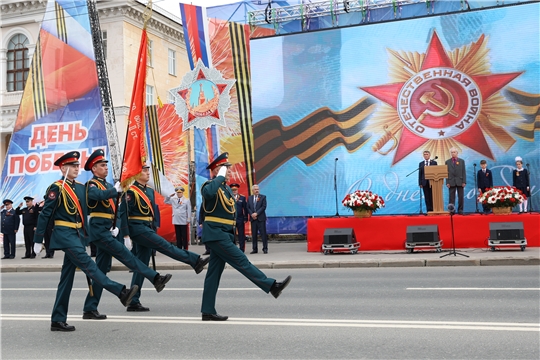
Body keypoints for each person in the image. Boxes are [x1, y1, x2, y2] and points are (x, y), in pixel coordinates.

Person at [33, 151, 139, 332]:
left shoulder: (81, 188)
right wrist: (38, 239)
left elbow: (87, 212)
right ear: (63, 168)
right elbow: (45, 214)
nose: (76, 168)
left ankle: (57, 319)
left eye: (76, 165)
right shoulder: (57, 188)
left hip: (77, 236)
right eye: (72, 166)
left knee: (66, 279)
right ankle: (121, 292)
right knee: (91, 267)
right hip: (65, 235)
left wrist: (114, 202)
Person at [200, 152, 291, 321]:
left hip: (224, 234)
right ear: (217, 170)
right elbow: (208, 195)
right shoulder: (210, 185)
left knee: (213, 274)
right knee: (241, 261)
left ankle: (207, 310)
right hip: (216, 235)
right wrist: (219, 176)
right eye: (225, 168)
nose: (229, 171)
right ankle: (271, 286)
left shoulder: (226, 188)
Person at [82, 149, 172, 320]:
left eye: (106, 165)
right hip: (99, 230)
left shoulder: (109, 185)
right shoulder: (92, 185)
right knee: (127, 256)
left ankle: (90, 308)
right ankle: (155, 278)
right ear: (94, 169)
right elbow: (96, 196)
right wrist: (114, 192)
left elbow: (116, 209)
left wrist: (116, 227)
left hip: (107, 229)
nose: (105, 168)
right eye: (102, 165)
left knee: (101, 270)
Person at [119, 164, 210, 312]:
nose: (148, 173)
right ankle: (195, 261)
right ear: (136, 173)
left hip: (147, 227)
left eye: (148, 170)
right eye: (144, 170)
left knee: (141, 264)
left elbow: (152, 212)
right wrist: (126, 235)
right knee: (165, 246)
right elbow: (123, 213)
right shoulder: (130, 191)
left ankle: (133, 301)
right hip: (137, 228)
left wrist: (153, 226)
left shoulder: (148, 190)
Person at [246, 184, 268, 254]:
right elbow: (248, 207)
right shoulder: (249, 198)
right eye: (255, 189)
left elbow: (263, 207)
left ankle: (265, 248)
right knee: (254, 234)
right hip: (253, 219)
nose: (257, 190)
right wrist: (252, 214)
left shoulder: (263, 197)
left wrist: (257, 213)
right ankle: (254, 249)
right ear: (252, 191)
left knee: (263, 234)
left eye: (258, 189)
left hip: (261, 218)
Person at [445, 147, 466, 214]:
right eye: (452, 152)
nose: (453, 153)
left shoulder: (461, 161)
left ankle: (460, 210)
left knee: (460, 197)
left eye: (454, 152)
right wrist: (447, 182)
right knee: (451, 198)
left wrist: (464, 181)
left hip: (460, 181)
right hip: (451, 181)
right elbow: (446, 172)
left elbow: (463, 172)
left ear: (457, 153)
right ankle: (452, 210)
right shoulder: (447, 162)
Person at [230, 183, 248, 252]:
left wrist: (246, 217)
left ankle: (242, 249)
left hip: (240, 218)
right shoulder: (229, 197)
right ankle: (233, 249)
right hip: (232, 219)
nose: (234, 191)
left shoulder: (242, 198)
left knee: (241, 234)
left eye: (235, 190)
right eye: (233, 190)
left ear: (237, 190)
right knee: (232, 234)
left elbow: (245, 208)